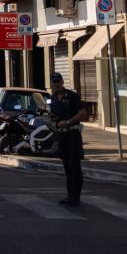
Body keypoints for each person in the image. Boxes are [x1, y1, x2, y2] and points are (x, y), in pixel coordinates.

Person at [50, 72, 87, 206]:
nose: (56, 84)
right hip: (62, 135)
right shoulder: (53, 98)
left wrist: (69, 121)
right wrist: (56, 122)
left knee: (74, 166)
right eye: (54, 82)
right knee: (66, 166)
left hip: (73, 135)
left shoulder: (72, 96)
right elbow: (53, 115)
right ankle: (69, 195)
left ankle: (75, 197)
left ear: (62, 82)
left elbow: (83, 113)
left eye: (58, 82)